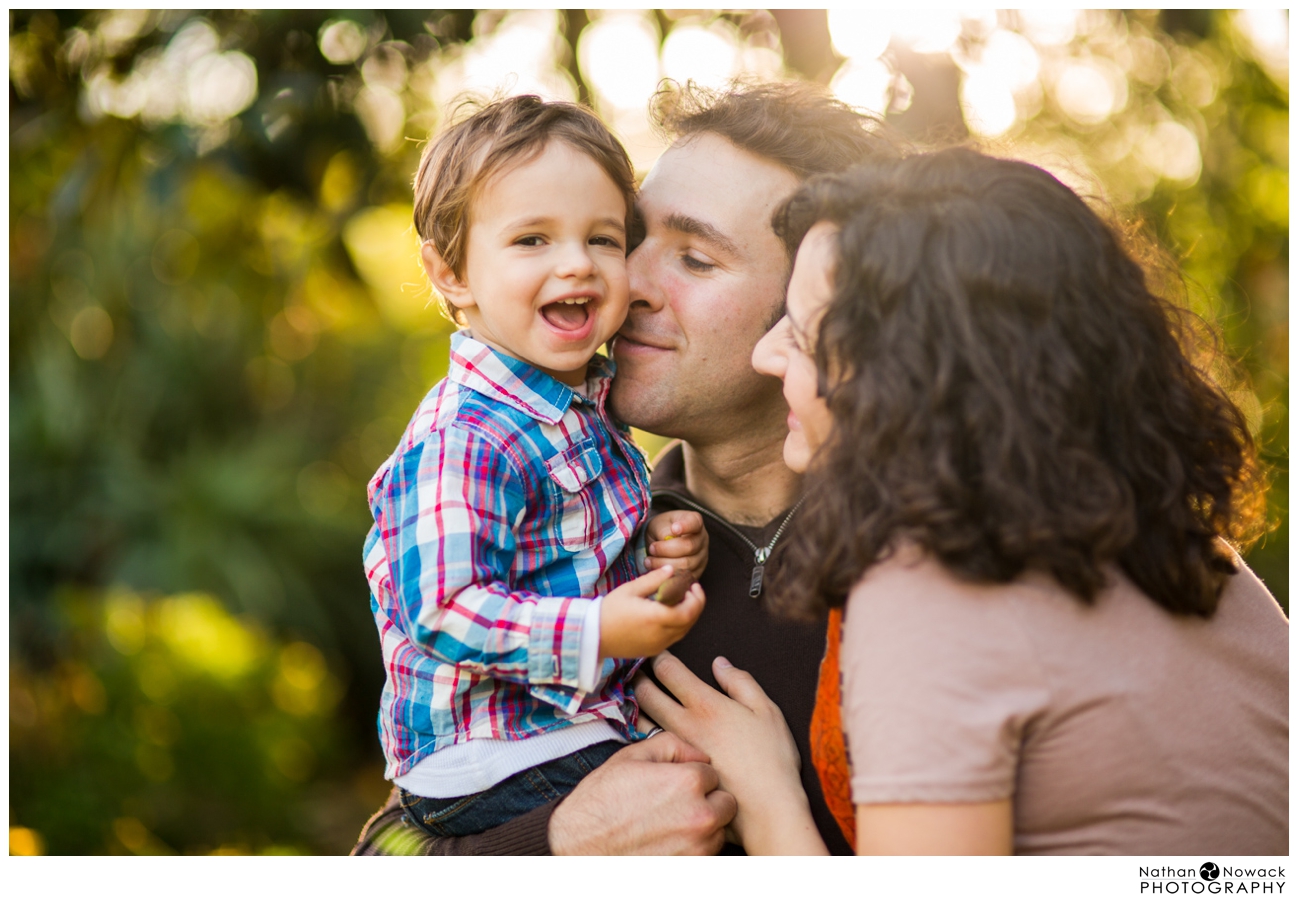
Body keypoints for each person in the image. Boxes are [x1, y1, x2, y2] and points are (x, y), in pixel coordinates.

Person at [641, 147, 1288, 855]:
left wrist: (765, 798)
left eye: (802, 334)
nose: (770, 358)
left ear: (906, 368)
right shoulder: (1190, 550)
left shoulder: (938, 584)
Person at [352, 81, 902, 855]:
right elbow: (385, 849)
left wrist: (776, 806)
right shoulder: (575, 547)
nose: (622, 282)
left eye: (695, 258)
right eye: (634, 237)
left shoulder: (918, 561)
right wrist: (561, 842)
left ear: (813, 307)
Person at [364, 95, 710, 840]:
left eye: (604, 238)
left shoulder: (579, 402)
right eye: (531, 239)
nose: (577, 263)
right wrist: (597, 631)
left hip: (559, 726)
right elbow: (443, 610)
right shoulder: (468, 436)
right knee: (705, 800)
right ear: (451, 272)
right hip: (493, 754)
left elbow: (565, 552)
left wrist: (658, 546)